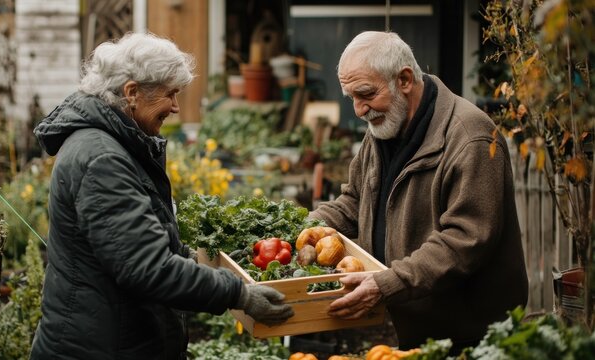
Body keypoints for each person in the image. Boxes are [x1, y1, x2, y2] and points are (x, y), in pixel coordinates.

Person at [30, 32, 293, 359]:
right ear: (132, 93)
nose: (175, 107)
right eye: (170, 94)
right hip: (100, 348)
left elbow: (141, 242)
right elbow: (147, 267)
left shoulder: (115, 145)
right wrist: (237, 293)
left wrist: (199, 264)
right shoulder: (102, 159)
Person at [313, 31, 528, 353]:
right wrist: (306, 226)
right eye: (351, 98)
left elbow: (465, 239)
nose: (358, 110)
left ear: (404, 79)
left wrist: (389, 284)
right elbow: (355, 201)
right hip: (414, 328)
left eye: (366, 94)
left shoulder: (470, 137)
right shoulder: (384, 129)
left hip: (471, 336)